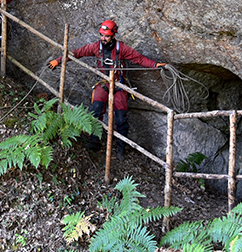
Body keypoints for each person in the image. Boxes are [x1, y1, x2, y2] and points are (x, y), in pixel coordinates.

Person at [48, 20, 165, 160]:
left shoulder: (122, 48)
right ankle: (94, 141)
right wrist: (58, 60)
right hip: (103, 83)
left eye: (106, 36)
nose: (103, 38)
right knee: (96, 109)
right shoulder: (96, 47)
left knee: (121, 117)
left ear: (113, 35)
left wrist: (155, 65)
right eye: (101, 35)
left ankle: (120, 148)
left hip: (119, 85)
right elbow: (77, 53)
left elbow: (139, 59)